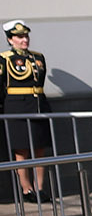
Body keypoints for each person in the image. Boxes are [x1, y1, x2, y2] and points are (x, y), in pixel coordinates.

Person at [5, 19, 51, 204]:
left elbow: (40, 80)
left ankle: (39, 188)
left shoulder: (38, 57)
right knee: (21, 149)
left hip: (37, 105)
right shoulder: (4, 59)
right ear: (10, 40)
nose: (25, 39)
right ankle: (26, 189)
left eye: (26, 36)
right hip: (16, 106)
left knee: (39, 148)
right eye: (20, 36)